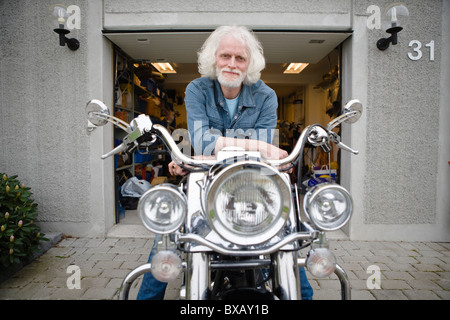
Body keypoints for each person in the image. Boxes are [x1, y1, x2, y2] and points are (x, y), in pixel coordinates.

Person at [137, 25, 313, 300]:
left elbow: (225, 151)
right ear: (213, 59)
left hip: (253, 183)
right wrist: (260, 145)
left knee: (285, 233)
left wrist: (198, 158)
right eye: (225, 56)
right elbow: (205, 141)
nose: (232, 64)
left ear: (249, 64)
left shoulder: (266, 96)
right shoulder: (197, 89)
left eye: (240, 58)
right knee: (171, 231)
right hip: (207, 181)